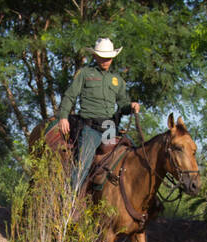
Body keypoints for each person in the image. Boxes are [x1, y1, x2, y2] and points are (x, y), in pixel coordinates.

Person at [54, 38, 141, 191]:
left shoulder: (117, 80)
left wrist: (131, 106)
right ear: (95, 56)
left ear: (112, 58)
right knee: (83, 164)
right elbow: (70, 96)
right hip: (90, 127)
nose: (105, 60)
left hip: (109, 127)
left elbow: (123, 104)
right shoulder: (85, 74)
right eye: (102, 56)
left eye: (108, 57)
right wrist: (63, 117)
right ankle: (69, 200)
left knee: (133, 152)